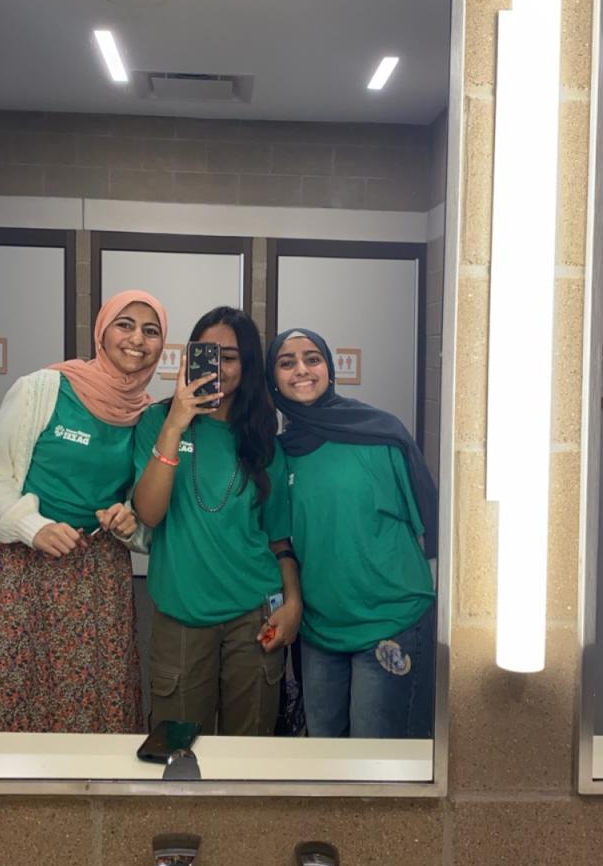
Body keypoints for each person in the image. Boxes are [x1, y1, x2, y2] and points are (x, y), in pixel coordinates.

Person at [0, 290, 168, 734]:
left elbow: (141, 499)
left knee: (98, 691)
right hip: (25, 568)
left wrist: (127, 519)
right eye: (125, 325)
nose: (137, 339)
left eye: (151, 331)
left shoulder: (147, 415)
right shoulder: (42, 389)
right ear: (102, 332)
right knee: (18, 686)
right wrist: (32, 528)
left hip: (99, 574)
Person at [133, 306, 301, 736]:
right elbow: (149, 513)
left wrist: (293, 603)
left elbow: (277, 539)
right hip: (183, 611)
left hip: (254, 613)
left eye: (230, 357)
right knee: (176, 742)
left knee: (251, 742)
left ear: (247, 366)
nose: (217, 368)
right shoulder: (157, 421)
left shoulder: (263, 439)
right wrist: (175, 425)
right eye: (206, 355)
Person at [266, 328, 438, 740]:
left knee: (376, 755)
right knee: (324, 751)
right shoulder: (281, 452)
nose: (301, 369)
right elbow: (280, 538)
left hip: (387, 620)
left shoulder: (379, 433)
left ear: (329, 368)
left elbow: (427, 523)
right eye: (287, 363)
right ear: (273, 380)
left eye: (312, 359)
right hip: (320, 627)